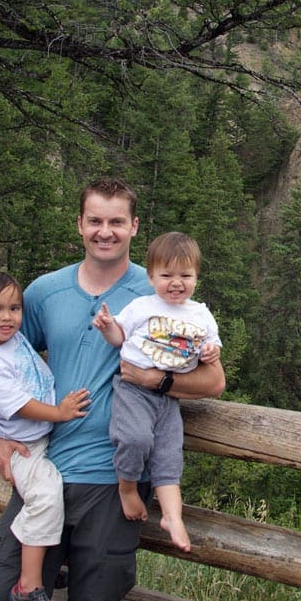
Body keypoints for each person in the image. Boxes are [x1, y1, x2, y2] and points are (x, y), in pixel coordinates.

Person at [0, 177, 226, 601]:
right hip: (45, 468)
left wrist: (154, 378)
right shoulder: (43, 293)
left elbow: (213, 381)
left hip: (117, 481)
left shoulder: (163, 293)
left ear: (134, 227)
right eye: (95, 220)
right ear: (80, 224)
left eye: (116, 221)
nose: (104, 231)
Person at [0, 271, 91, 601]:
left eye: (14, 308)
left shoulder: (10, 340)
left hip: (42, 438)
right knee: (45, 497)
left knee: (53, 496)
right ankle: (29, 586)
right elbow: (20, 405)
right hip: (27, 447)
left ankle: (39, 565)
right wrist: (59, 413)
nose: (7, 317)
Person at [93, 231, 222, 553]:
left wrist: (210, 353)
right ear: (151, 277)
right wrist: (108, 325)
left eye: (185, 275)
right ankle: (127, 488)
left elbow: (212, 346)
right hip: (134, 391)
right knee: (135, 438)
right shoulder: (142, 307)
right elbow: (119, 338)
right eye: (166, 275)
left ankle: (172, 516)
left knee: (168, 456)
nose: (176, 283)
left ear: (196, 277)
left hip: (169, 397)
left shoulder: (201, 314)